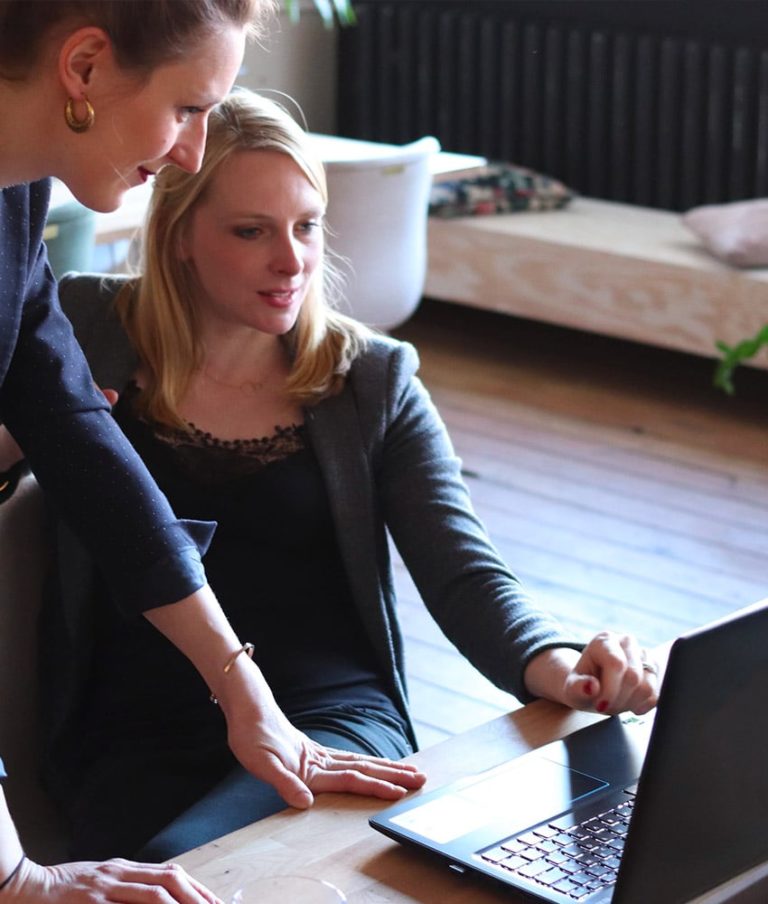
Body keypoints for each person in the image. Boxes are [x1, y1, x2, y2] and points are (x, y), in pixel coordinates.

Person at [25, 89, 659, 864]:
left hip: (333, 717)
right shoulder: (84, 325)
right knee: (185, 865)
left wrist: (563, 667)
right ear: (180, 233)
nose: (291, 260)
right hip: (132, 728)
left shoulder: (371, 380)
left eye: (307, 226)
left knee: (222, 865)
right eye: (251, 231)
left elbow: (463, 571)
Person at [0, 3, 424, 901]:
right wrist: (16, 877)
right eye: (189, 107)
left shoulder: (15, 195)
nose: (193, 153)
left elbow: (81, 435)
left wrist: (247, 696)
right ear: (83, 68)